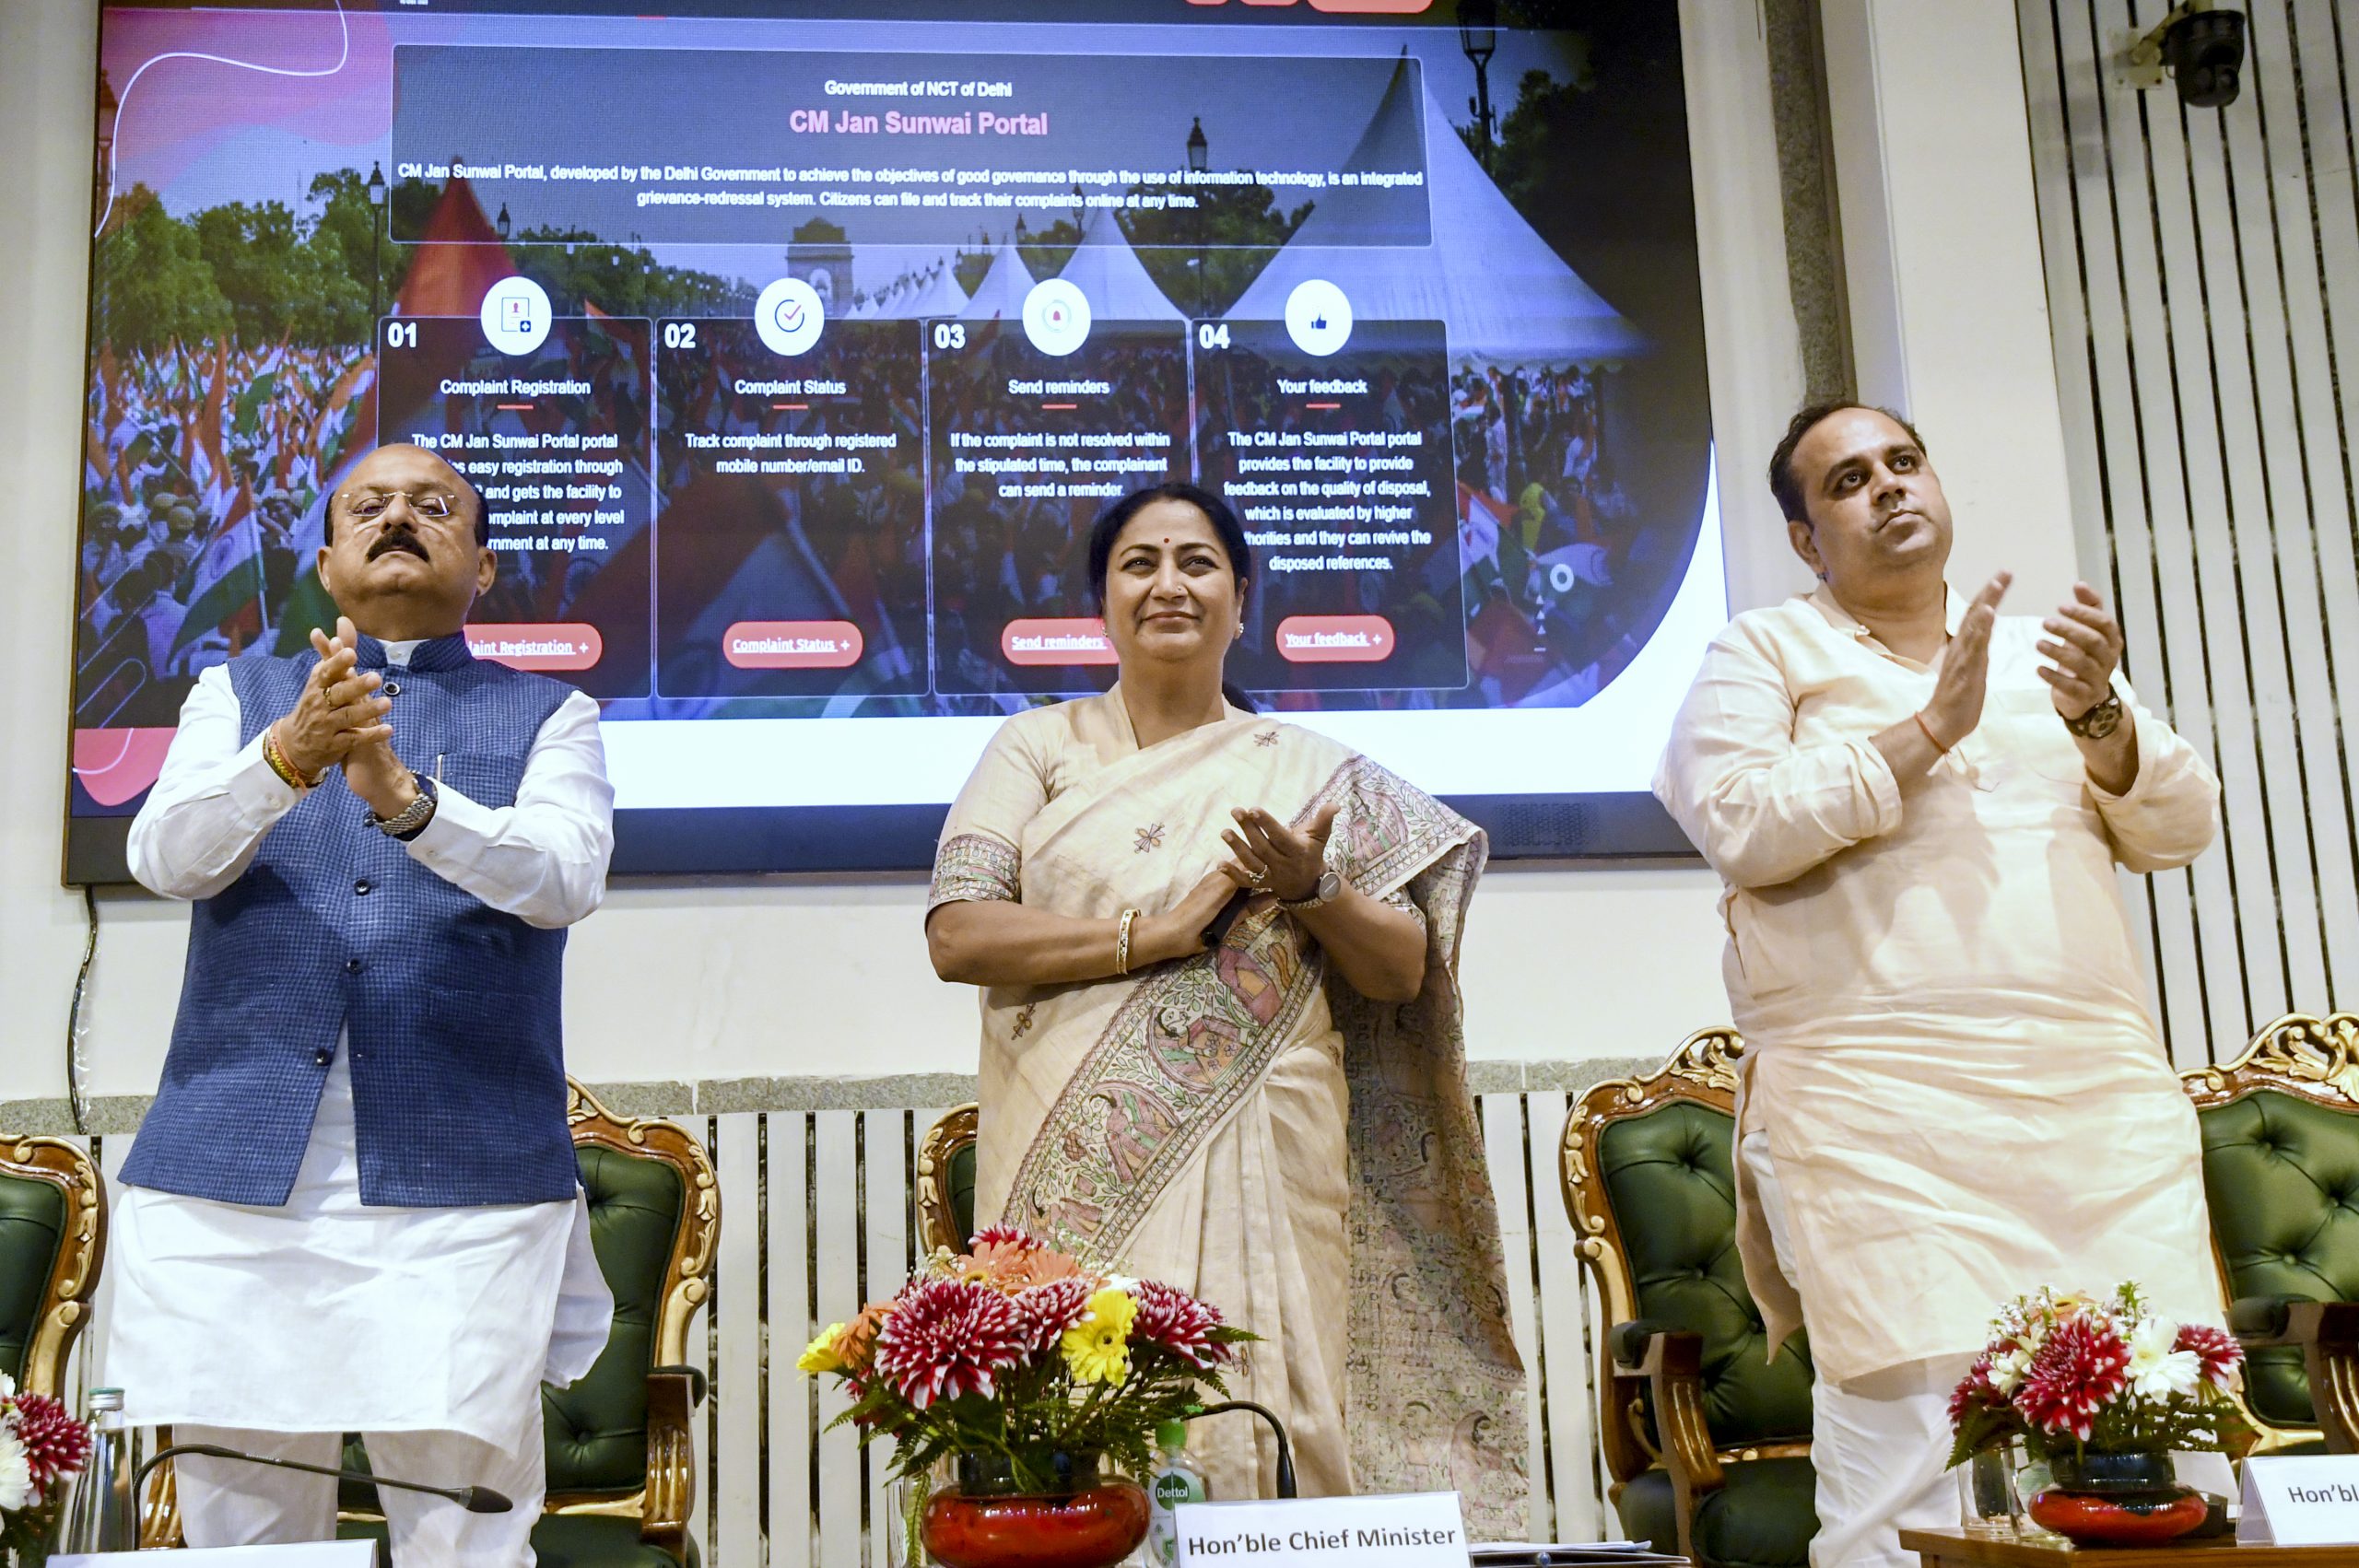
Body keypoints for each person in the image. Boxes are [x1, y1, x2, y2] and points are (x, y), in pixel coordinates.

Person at [1654, 404, 2226, 1568]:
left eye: (1903, 463)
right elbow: (1739, 823)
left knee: (2166, 1444)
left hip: (2094, 1109)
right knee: (1913, 1475)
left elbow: (2179, 826)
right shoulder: (1763, 652)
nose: (1888, 488)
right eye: (1848, 480)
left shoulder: (2039, 656)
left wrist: (2100, 717)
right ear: (1807, 540)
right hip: (1878, 1119)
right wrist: (1927, 730)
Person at [925, 481, 1525, 1529]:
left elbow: (1402, 971)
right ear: (1102, 603)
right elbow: (958, 932)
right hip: (1068, 1144)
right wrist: (1153, 937)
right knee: (1075, 1436)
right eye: (1140, 563)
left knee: (1274, 1419)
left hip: (1270, 1149)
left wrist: (1314, 887)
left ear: (1240, 602)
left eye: (1197, 563)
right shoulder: (1035, 748)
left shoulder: (1309, 774)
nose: (1170, 584)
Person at [107, 440, 616, 1565]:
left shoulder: (552, 713)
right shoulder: (232, 695)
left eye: (434, 505)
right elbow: (165, 856)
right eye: (369, 506)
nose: (399, 517)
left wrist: (407, 801)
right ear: (328, 564)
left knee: (465, 1535)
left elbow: (564, 877)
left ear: (483, 566)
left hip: (465, 1188)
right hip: (229, 1186)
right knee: (242, 1542)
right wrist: (284, 759)